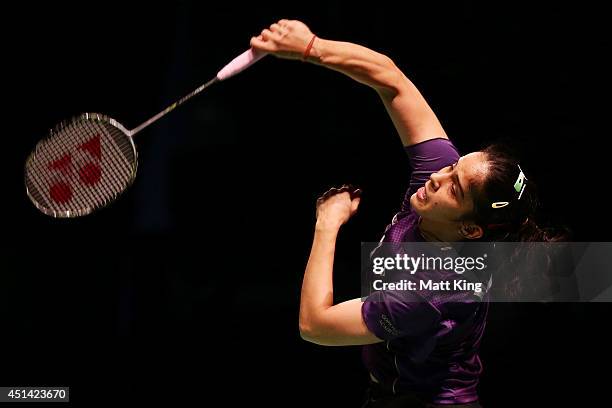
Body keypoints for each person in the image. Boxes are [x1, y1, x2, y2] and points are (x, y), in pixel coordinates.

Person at [250, 19, 561, 407]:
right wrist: (311, 47)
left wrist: (327, 224)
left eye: (455, 187)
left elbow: (315, 326)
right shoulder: (437, 182)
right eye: (453, 166)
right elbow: (391, 80)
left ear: (470, 230)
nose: (437, 176)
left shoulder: (435, 291)